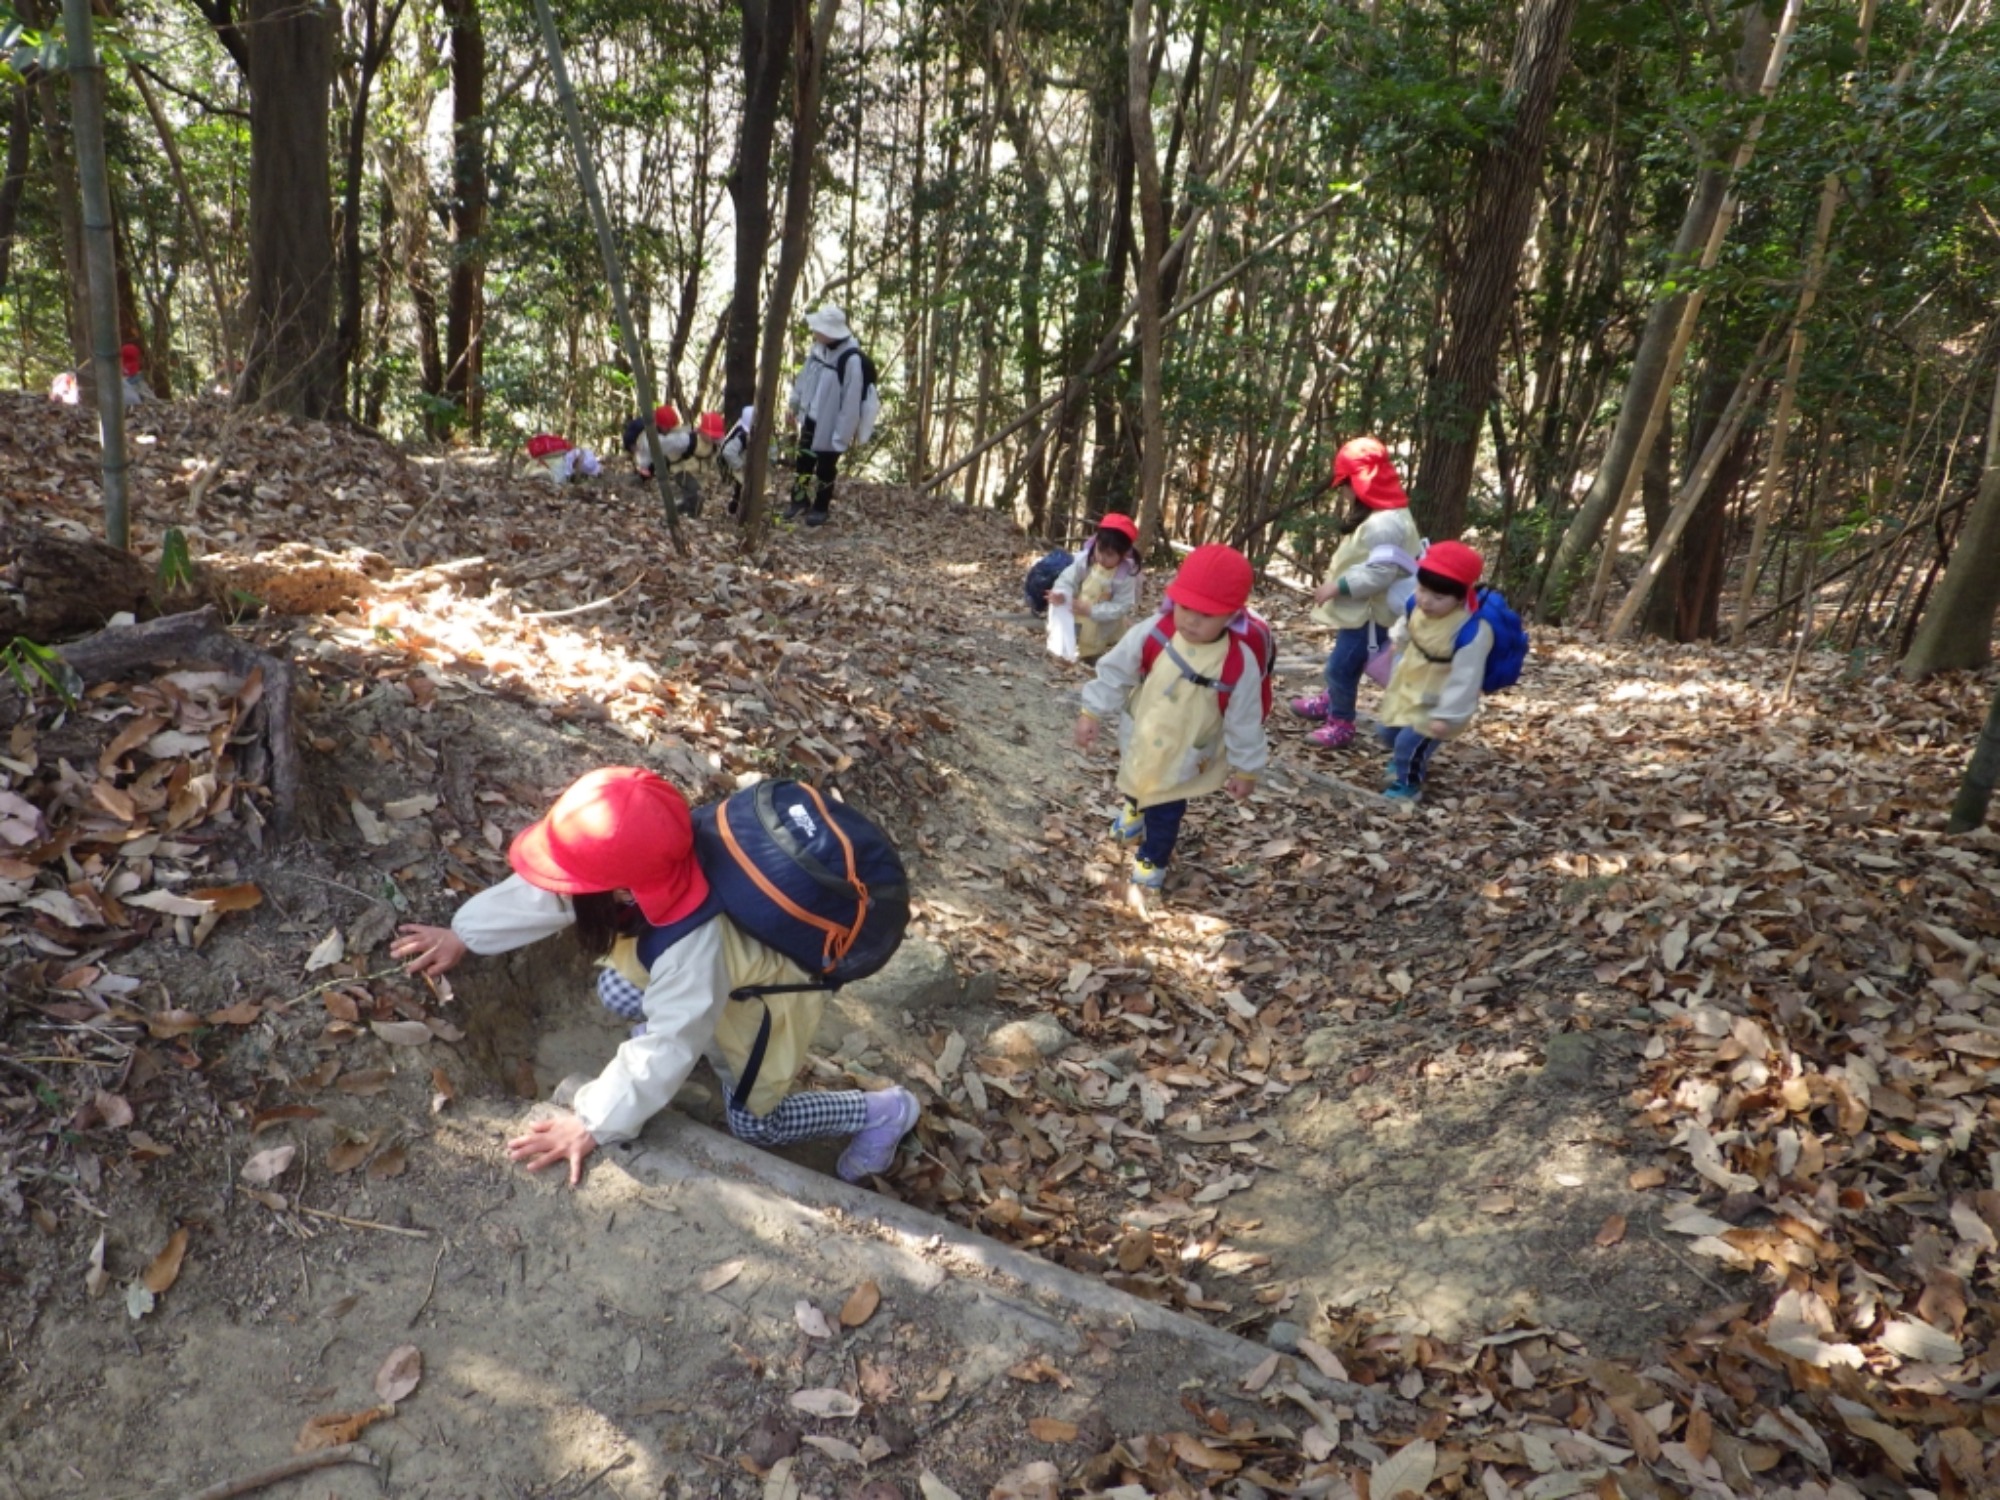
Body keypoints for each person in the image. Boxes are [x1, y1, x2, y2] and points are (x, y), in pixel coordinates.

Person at [389, 768, 922, 1186]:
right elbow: (551, 889)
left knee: (757, 1125)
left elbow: (670, 1041)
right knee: (619, 988)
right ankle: (703, 1042)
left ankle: (884, 1111)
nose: (563, 890)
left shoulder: (692, 948)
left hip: (761, 1000)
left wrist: (596, 1121)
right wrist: (466, 933)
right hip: (710, 973)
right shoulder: (654, 853)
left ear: (623, 891)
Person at [1073, 545, 1268, 894]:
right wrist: (1092, 712)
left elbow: (1244, 720)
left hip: (1187, 751)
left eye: (1206, 614)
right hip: (1143, 732)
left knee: (1167, 808)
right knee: (1135, 775)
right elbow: (1116, 671)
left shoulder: (1238, 663)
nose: (1191, 620)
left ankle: (1153, 857)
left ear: (1231, 616)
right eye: (1185, 607)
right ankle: (1133, 811)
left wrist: (1246, 768)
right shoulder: (1155, 632)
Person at [1290, 437, 1423, 749]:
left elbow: (1381, 572)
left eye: (1344, 484)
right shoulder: (1385, 515)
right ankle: (1333, 698)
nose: (1342, 491)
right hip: (1365, 611)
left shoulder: (1384, 524)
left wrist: (1338, 586)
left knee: (1341, 665)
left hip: (1373, 614)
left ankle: (1340, 721)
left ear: (1360, 483)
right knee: (1347, 660)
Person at [1374, 541, 1491, 803]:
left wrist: (1447, 716)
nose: (1426, 601)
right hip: (1410, 683)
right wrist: (1398, 640)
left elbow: (1466, 679)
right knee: (1388, 730)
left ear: (1460, 597)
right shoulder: (1415, 604)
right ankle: (1404, 761)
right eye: (1422, 590)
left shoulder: (1471, 631)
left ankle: (1408, 785)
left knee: (1410, 743)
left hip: (1439, 699)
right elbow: (1407, 622)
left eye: (1438, 597)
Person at [785, 305, 867, 526]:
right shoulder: (818, 350)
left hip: (832, 423)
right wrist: (794, 405)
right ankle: (799, 501)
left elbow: (851, 401)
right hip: (811, 416)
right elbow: (804, 379)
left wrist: (842, 435)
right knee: (803, 461)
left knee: (825, 467)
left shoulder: (851, 360)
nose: (815, 333)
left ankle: (821, 507)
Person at [1045, 514, 1142, 664]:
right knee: (1075, 636)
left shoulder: (1125, 576)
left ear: (1122, 555)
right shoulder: (1086, 561)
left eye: (1109, 555)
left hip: (1105, 624)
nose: (1102, 558)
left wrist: (1092, 611)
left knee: (1096, 647)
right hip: (1078, 613)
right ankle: (1070, 651)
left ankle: (1093, 655)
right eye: (1100, 550)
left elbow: (1122, 605)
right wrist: (1061, 593)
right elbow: (1068, 578)